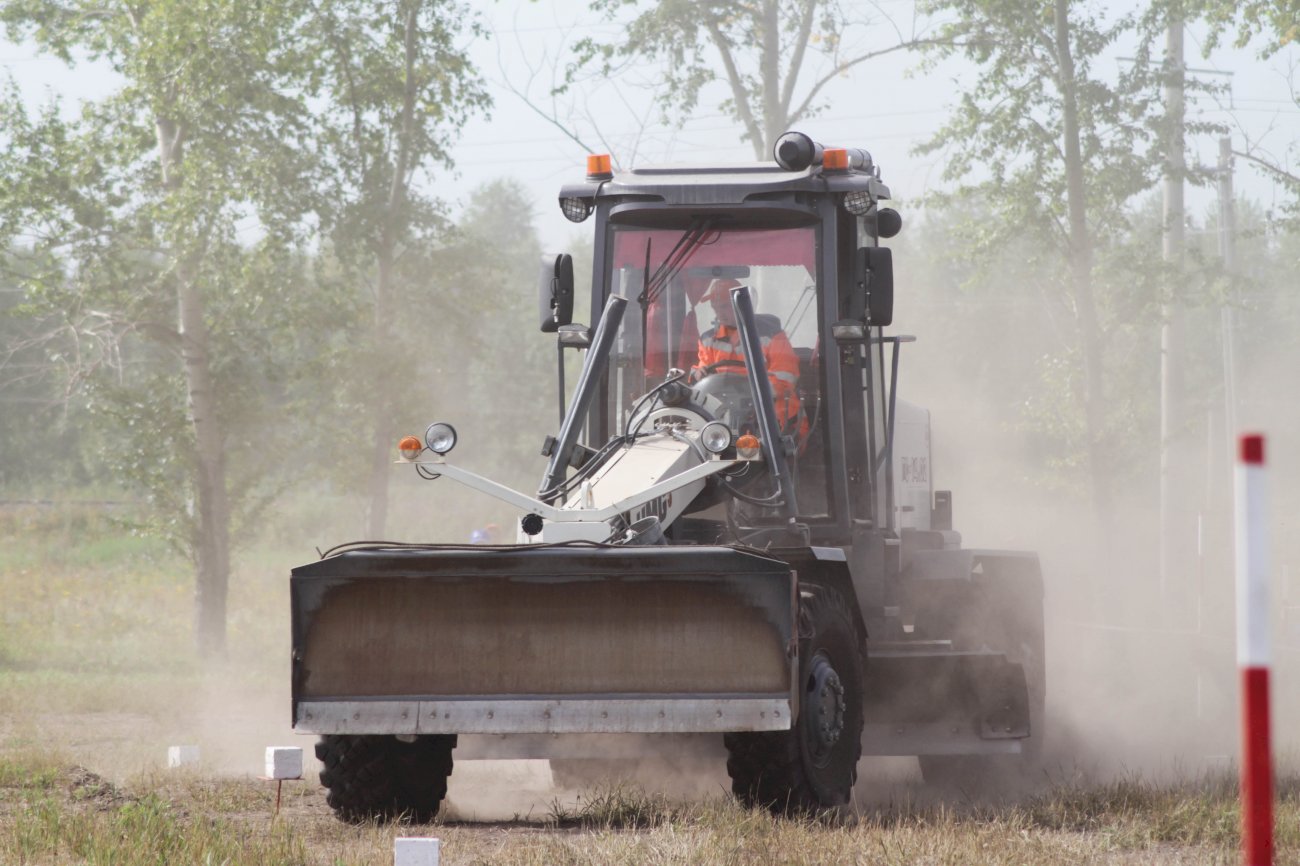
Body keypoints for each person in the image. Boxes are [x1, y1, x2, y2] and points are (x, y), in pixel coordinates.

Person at [691, 278, 807, 440]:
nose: (719, 313)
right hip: (725, 417)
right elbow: (704, 368)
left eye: (724, 306)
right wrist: (698, 374)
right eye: (715, 307)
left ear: (740, 304)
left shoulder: (772, 335)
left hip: (773, 418)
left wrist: (746, 397)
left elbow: (784, 379)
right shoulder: (708, 339)